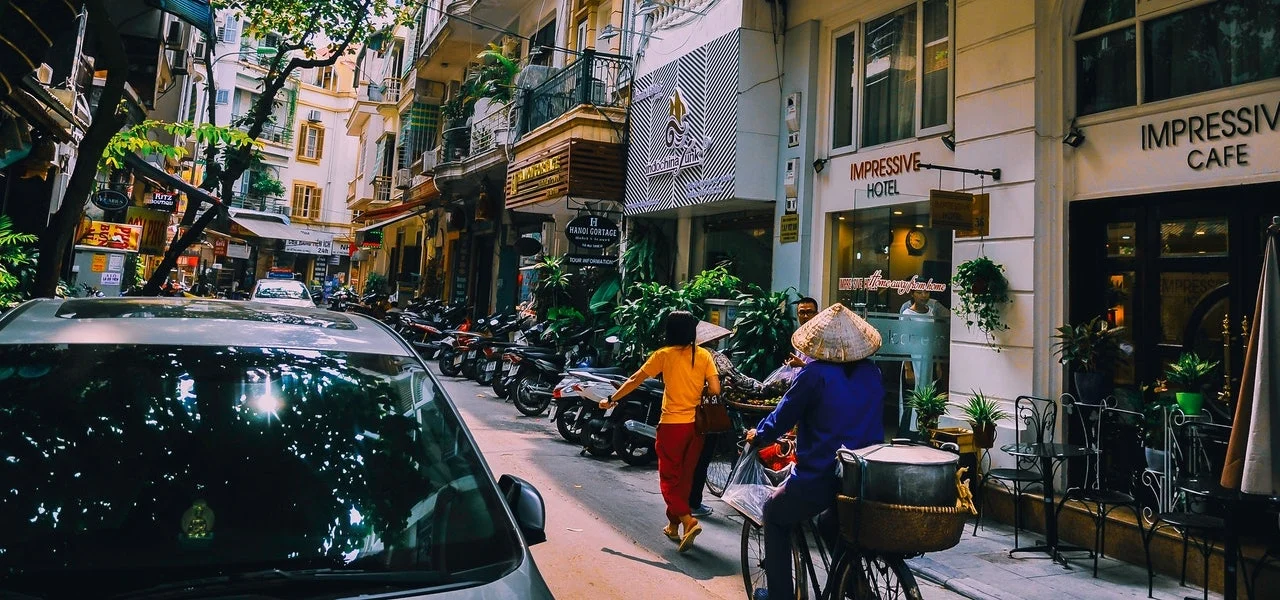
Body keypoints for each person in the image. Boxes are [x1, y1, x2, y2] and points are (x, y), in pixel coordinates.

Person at [744, 303, 885, 600]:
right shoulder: (873, 374)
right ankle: (854, 583)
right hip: (862, 476)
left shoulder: (812, 375)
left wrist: (759, 435)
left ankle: (780, 594)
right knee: (831, 523)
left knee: (774, 511)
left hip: (820, 475)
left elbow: (782, 417)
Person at [603, 310, 720, 553]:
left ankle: (688, 521)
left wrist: (612, 399)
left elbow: (635, 379)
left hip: (672, 425)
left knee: (669, 477)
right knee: (685, 477)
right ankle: (673, 526)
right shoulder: (704, 355)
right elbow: (716, 389)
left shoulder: (663, 355)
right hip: (697, 427)